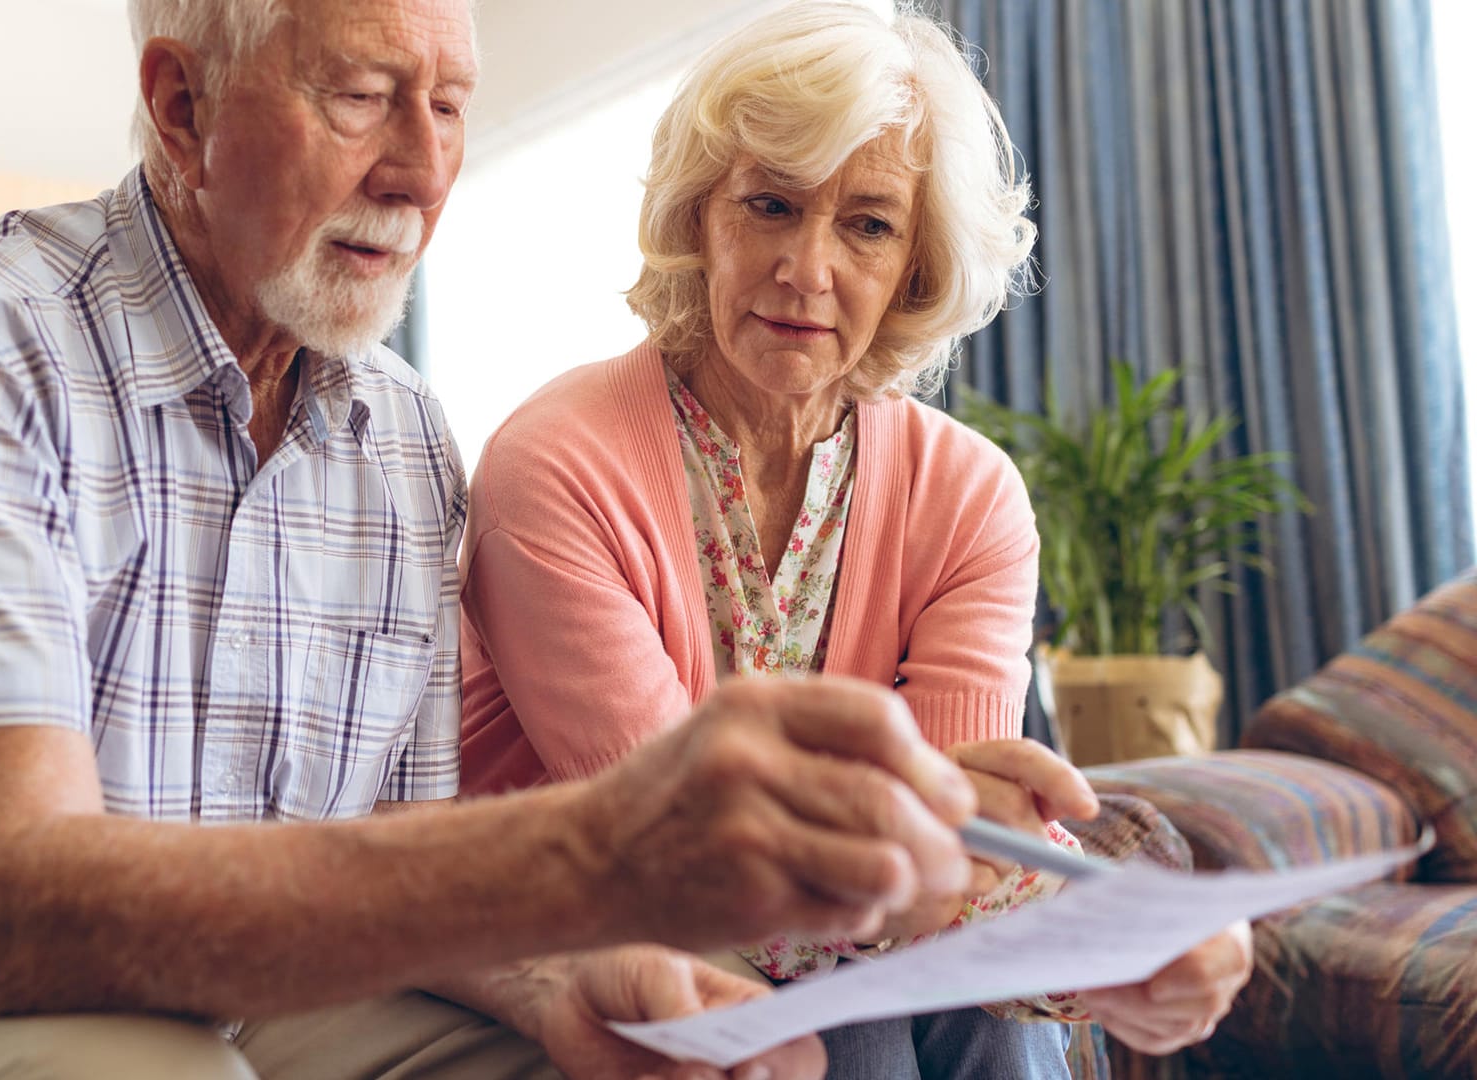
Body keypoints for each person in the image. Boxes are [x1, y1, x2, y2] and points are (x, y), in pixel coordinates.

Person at [0, 2, 1013, 1079]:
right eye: (360, 97)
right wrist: (590, 854)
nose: (419, 170)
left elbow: (391, 839)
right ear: (179, 102)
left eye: (451, 107)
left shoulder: (401, 438)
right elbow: (12, 913)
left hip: (245, 1004)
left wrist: (562, 977)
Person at [456, 3, 1254, 1077]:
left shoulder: (970, 495)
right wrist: (1034, 909)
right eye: (771, 206)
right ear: (701, 218)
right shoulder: (552, 463)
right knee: (867, 1028)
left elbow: (963, 849)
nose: (807, 268)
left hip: (843, 935)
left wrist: (1122, 934)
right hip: (589, 934)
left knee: (990, 1025)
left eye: (868, 225)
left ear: (916, 265)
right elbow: (677, 846)